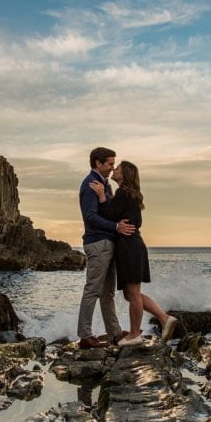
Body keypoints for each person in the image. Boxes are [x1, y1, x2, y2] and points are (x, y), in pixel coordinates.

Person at [89, 160, 177, 347]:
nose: (114, 169)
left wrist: (101, 197)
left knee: (134, 294)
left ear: (125, 174)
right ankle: (164, 318)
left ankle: (135, 334)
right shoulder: (130, 194)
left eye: (118, 167)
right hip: (132, 245)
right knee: (131, 294)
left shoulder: (124, 192)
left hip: (130, 247)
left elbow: (108, 215)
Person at [77, 147, 135, 349]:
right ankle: (85, 335)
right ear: (97, 163)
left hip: (107, 243)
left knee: (107, 293)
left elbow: (108, 211)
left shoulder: (104, 185)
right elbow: (90, 216)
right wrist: (116, 227)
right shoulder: (91, 184)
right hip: (98, 242)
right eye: (109, 164)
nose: (112, 168)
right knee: (93, 290)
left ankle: (115, 334)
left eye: (113, 164)